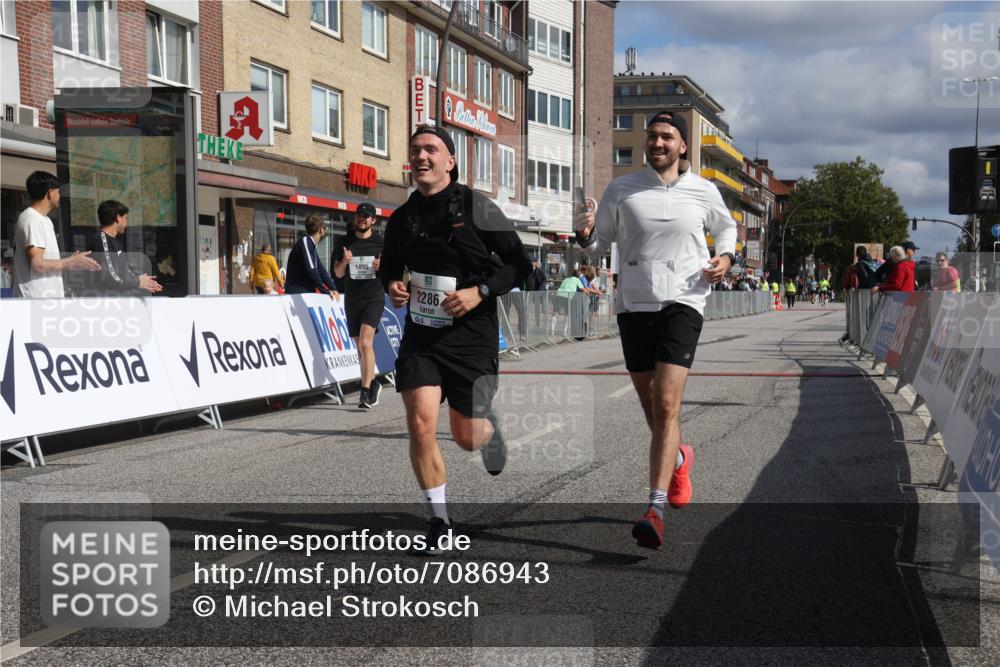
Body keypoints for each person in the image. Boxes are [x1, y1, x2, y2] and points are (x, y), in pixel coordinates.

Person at [573, 109, 736, 549]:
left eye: (667, 137)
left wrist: (726, 258)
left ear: (683, 146)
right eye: (652, 137)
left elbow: (727, 228)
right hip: (634, 304)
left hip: (685, 300)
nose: (657, 143)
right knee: (653, 411)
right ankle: (680, 455)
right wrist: (583, 235)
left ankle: (655, 509)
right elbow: (598, 242)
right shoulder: (623, 189)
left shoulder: (703, 190)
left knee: (666, 405)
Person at [378, 125, 531, 554]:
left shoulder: (477, 207)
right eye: (415, 151)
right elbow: (389, 265)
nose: (421, 156)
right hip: (422, 335)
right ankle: (441, 522)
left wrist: (479, 291)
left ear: (450, 161)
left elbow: (521, 265)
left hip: (471, 335)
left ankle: (488, 430)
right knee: (420, 421)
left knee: (466, 436)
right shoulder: (403, 217)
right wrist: (394, 285)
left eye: (431, 149)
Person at [333, 202, 387, 410]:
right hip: (352, 300)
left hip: (374, 297)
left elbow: (394, 273)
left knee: (366, 342)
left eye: (366, 216)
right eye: (359, 216)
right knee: (359, 346)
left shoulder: (381, 244)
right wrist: (345, 261)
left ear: (373, 220)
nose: (362, 219)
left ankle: (364, 393)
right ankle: (373, 382)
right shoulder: (345, 243)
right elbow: (337, 273)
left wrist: (382, 267)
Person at [13, 171, 101, 297]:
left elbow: (44, 262)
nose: (60, 195)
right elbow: (37, 264)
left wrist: (71, 260)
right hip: (35, 300)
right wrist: (70, 262)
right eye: (58, 191)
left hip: (46, 299)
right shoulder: (32, 219)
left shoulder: (44, 220)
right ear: (50, 193)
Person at [83, 200, 162, 296]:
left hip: (118, 300)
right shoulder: (100, 240)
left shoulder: (116, 241)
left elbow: (122, 272)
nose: (126, 223)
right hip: (105, 302)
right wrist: (137, 282)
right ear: (117, 218)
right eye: (125, 219)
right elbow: (110, 276)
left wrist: (143, 280)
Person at [284, 214, 340, 301]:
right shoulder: (305, 242)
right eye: (324, 228)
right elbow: (312, 270)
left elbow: (321, 271)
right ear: (321, 230)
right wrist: (326, 291)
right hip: (297, 292)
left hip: (305, 292)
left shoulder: (311, 246)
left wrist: (334, 289)